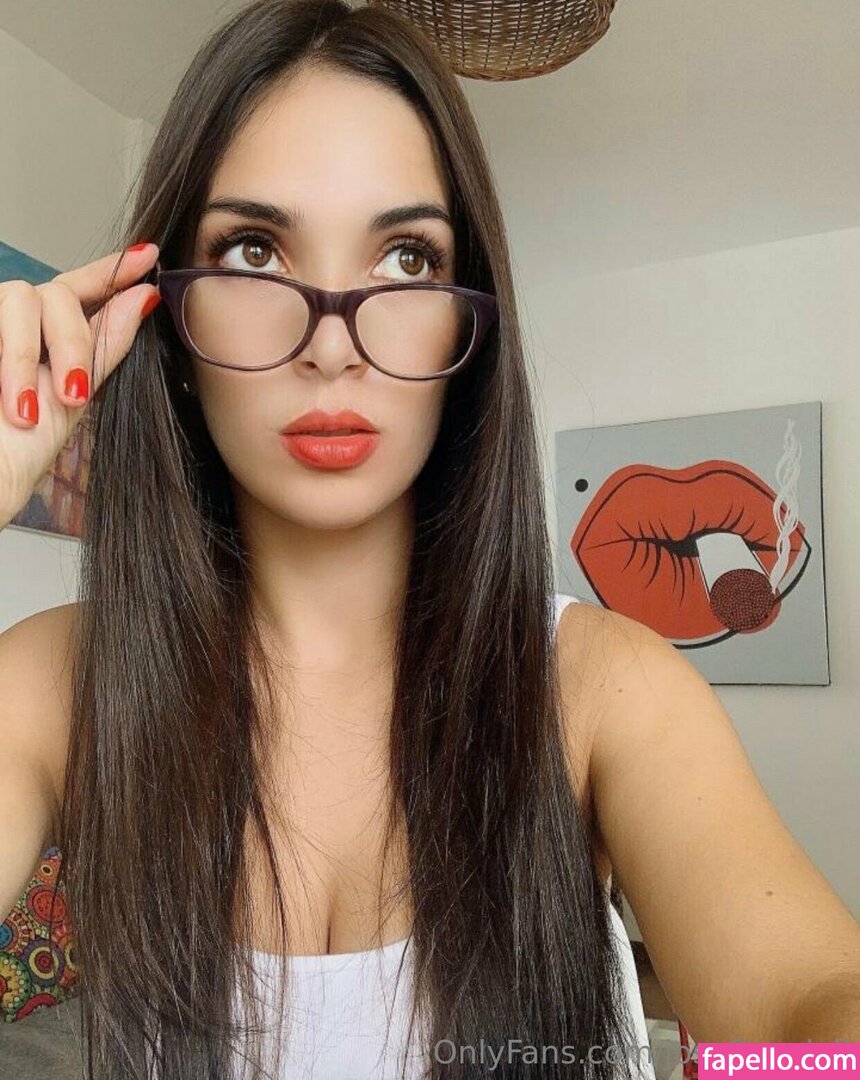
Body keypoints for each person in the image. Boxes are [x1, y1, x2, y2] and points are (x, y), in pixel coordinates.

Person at [0, 1, 857, 1077]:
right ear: (166, 321)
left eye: (406, 259)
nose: (331, 346)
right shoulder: (55, 684)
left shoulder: (605, 686)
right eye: (255, 251)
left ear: (467, 323)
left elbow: (803, 1008)